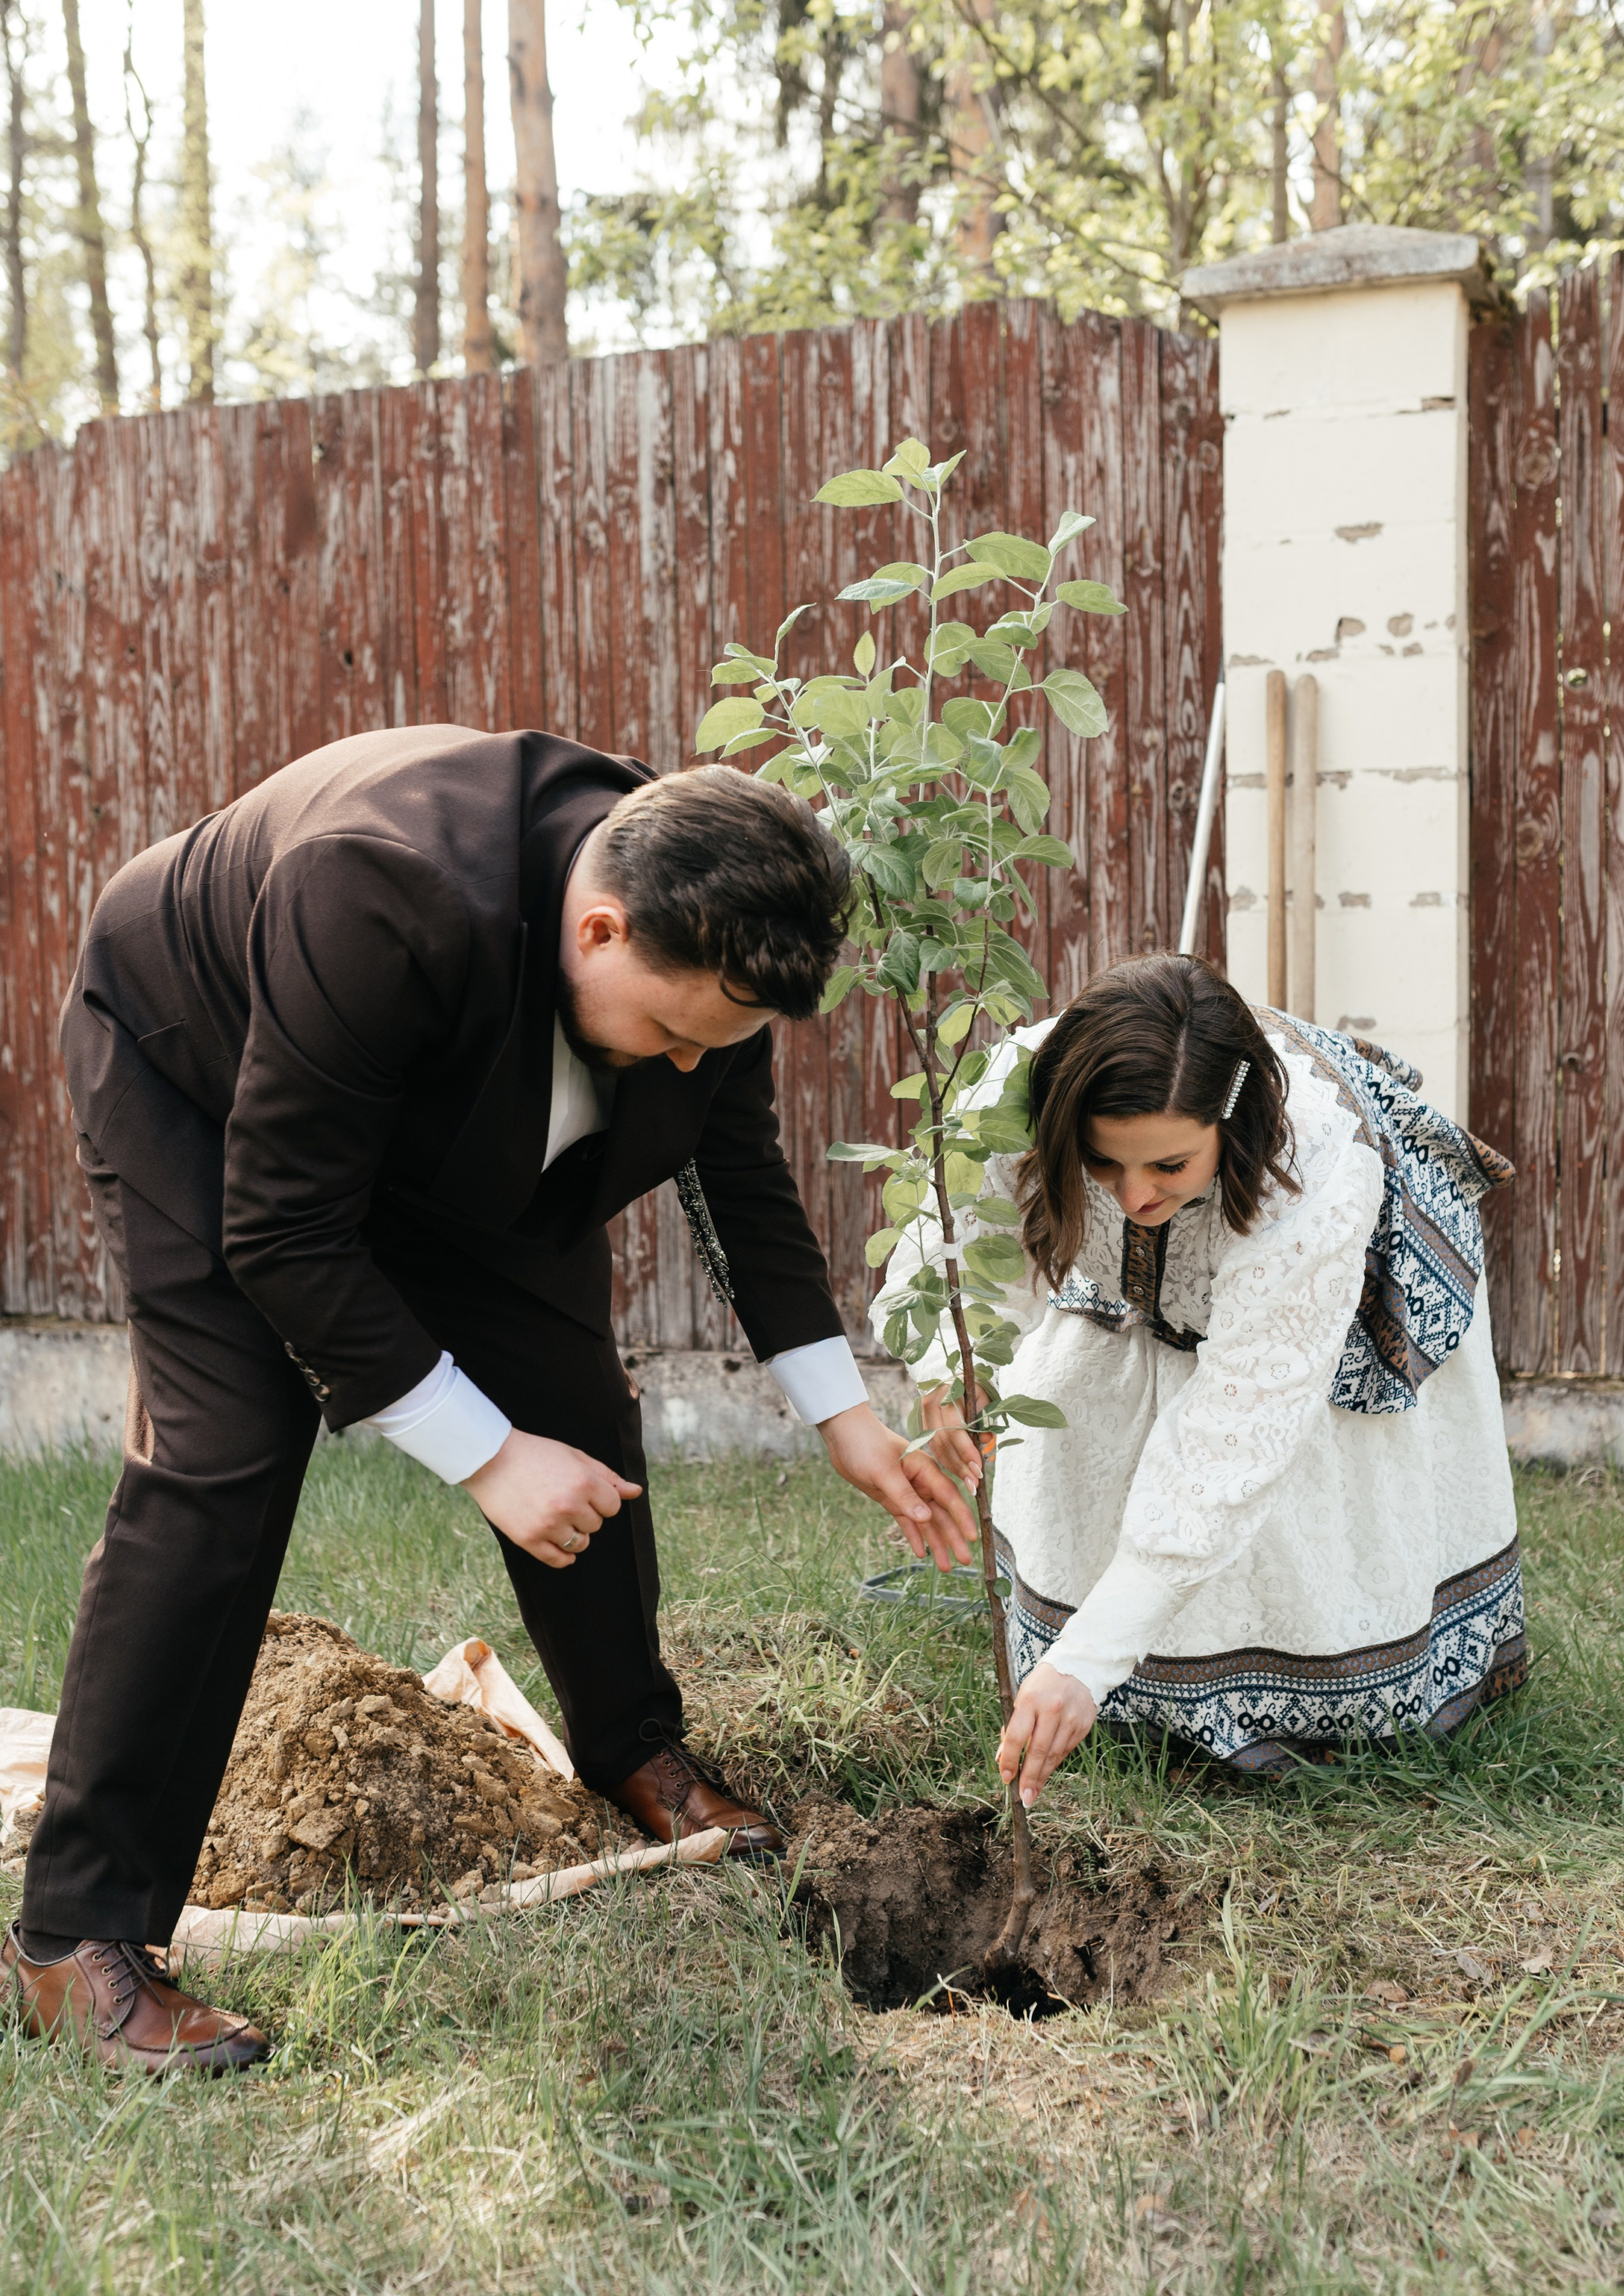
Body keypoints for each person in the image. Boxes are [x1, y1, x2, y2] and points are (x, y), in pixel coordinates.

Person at [4, 724, 975, 2075]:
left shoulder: (722, 914)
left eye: (723, 1042)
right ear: (597, 926)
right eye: (670, 1034)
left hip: (442, 1109)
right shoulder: (382, 887)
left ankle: (634, 1749)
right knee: (224, 1452)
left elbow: (733, 1166)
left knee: (572, 1390)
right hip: (199, 1074)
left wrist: (842, 1413)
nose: (690, 1065)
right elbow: (283, 1232)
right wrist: (482, 1454)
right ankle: (75, 1937)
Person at [881, 953, 1526, 1806]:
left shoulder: (1315, 1177)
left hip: (1345, 1294)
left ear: (1227, 1126)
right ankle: (1112, 1676)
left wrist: (1086, 1660)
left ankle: (1288, 1701)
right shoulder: (1016, 1096)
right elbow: (960, 1251)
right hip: (1152, 1278)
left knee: (1272, 1482)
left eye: (1167, 1167)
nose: (1135, 1194)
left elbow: (1236, 1434)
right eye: (1104, 1166)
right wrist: (954, 1371)